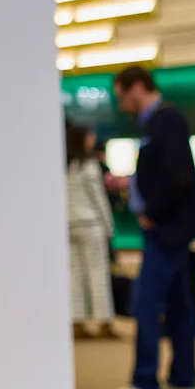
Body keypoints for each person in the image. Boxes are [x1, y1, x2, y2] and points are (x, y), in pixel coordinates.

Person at [105, 66, 195, 389]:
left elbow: (178, 174)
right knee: (178, 303)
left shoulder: (166, 121)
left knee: (146, 302)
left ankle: (145, 380)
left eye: (122, 96)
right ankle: (183, 375)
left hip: (166, 229)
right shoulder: (160, 122)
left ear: (137, 88)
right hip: (173, 228)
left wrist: (153, 212)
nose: (122, 106)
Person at [65, 121, 118, 340]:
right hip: (91, 225)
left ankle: (77, 322)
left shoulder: (65, 166)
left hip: (69, 226)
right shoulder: (89, 166)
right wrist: (109, 227)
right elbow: (99, 200)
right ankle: (104, 322)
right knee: (98, 274)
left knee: (75, 275)